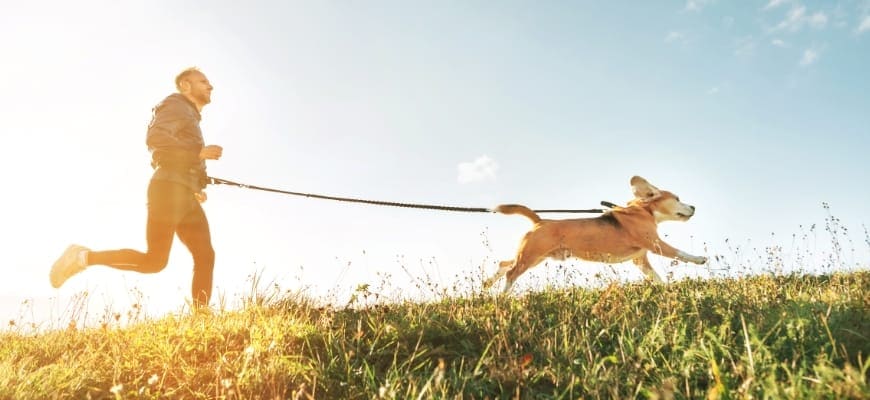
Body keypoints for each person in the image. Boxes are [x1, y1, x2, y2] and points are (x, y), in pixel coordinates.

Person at [50, 67, 223, 308]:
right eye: (203, 81)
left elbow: (181, 157)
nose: (210, 86)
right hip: (167, 189)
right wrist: (197, 152)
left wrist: (198, 183)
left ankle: (202, 317)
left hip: (183, 192)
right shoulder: (176, 105)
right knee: (155, 261)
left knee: (205, 255)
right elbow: (155, 139)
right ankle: (81, 257)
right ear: (185, 85)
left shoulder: (191, 116)